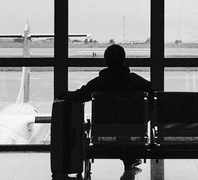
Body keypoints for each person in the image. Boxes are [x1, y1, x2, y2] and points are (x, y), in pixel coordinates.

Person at [65, 43, 151, 171]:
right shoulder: (134, 81)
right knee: (127, 127)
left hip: (102, 135)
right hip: (134, 134)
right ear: (124, 59)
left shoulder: (99, 83)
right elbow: (156, 93)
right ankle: (129, 157)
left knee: (117, 128)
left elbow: (79, 96)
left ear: (106, 60)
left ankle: (128, 157)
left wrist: (63, 94)